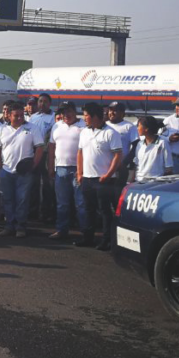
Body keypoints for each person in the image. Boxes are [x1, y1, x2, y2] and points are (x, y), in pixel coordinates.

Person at [0, 102, 44, 238]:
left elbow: (39, 148)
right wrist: (0, 167)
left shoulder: (33, 128)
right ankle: (9, 225)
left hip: (25, 172)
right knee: (8, 199)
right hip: (7, 171)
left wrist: (33, 165)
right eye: (16, 115)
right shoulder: (1, 129)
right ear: (9, 115)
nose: (20, 118)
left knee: (22, 200)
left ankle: (21, 226)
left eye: (22, 115)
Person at [77, 102, 124, 250]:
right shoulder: (84, 132)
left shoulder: (111, 133)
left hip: (103, 179)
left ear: (95, 116)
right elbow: (80, 153)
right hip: (87, 178)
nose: (84, 118)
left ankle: (106, 240)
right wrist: (80, 173)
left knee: (105, 211)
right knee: (88, 209)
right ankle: (87, 237)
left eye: (86, 116)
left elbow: (118, 155)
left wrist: (108, 175)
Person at [47, 102, 87, 241]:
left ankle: (85, 232)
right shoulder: (56, 126)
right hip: (61, 169)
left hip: (78, 170)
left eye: (69, 112)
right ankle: (61, 230)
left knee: (80, 203)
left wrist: (82, 170)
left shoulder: (84, 126)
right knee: (62, 203)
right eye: (63, 113)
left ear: (74, 111)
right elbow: (51, 148)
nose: (66, 115)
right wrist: (51, 167)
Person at [28, 93, 56, 224]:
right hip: (33, 153)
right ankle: (32, 211)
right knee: (33, 183)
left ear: (50, 103)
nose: (42, 104)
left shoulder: (54, 117)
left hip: (46, 154)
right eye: (40, 101)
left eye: (45, 101)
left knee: (47, 185)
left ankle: (47, 212)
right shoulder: (32, 117)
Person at [133, 115, 174, 182]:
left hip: (156, 183)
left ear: (146, 129)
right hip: (139, 182)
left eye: (139, 126)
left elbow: (169, 168)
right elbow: (136, 165)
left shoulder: (163, 143)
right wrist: (132, 181)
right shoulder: (139, 144)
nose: (137, 128)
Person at [106, 101, 139, 175]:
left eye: (115, 110)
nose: (112, 113)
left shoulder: (129, 126)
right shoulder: (104, 125)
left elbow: (136, 146)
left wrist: (125, 162)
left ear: (122, 113)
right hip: (104, 166)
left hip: (120, 167)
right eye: (110, 110)